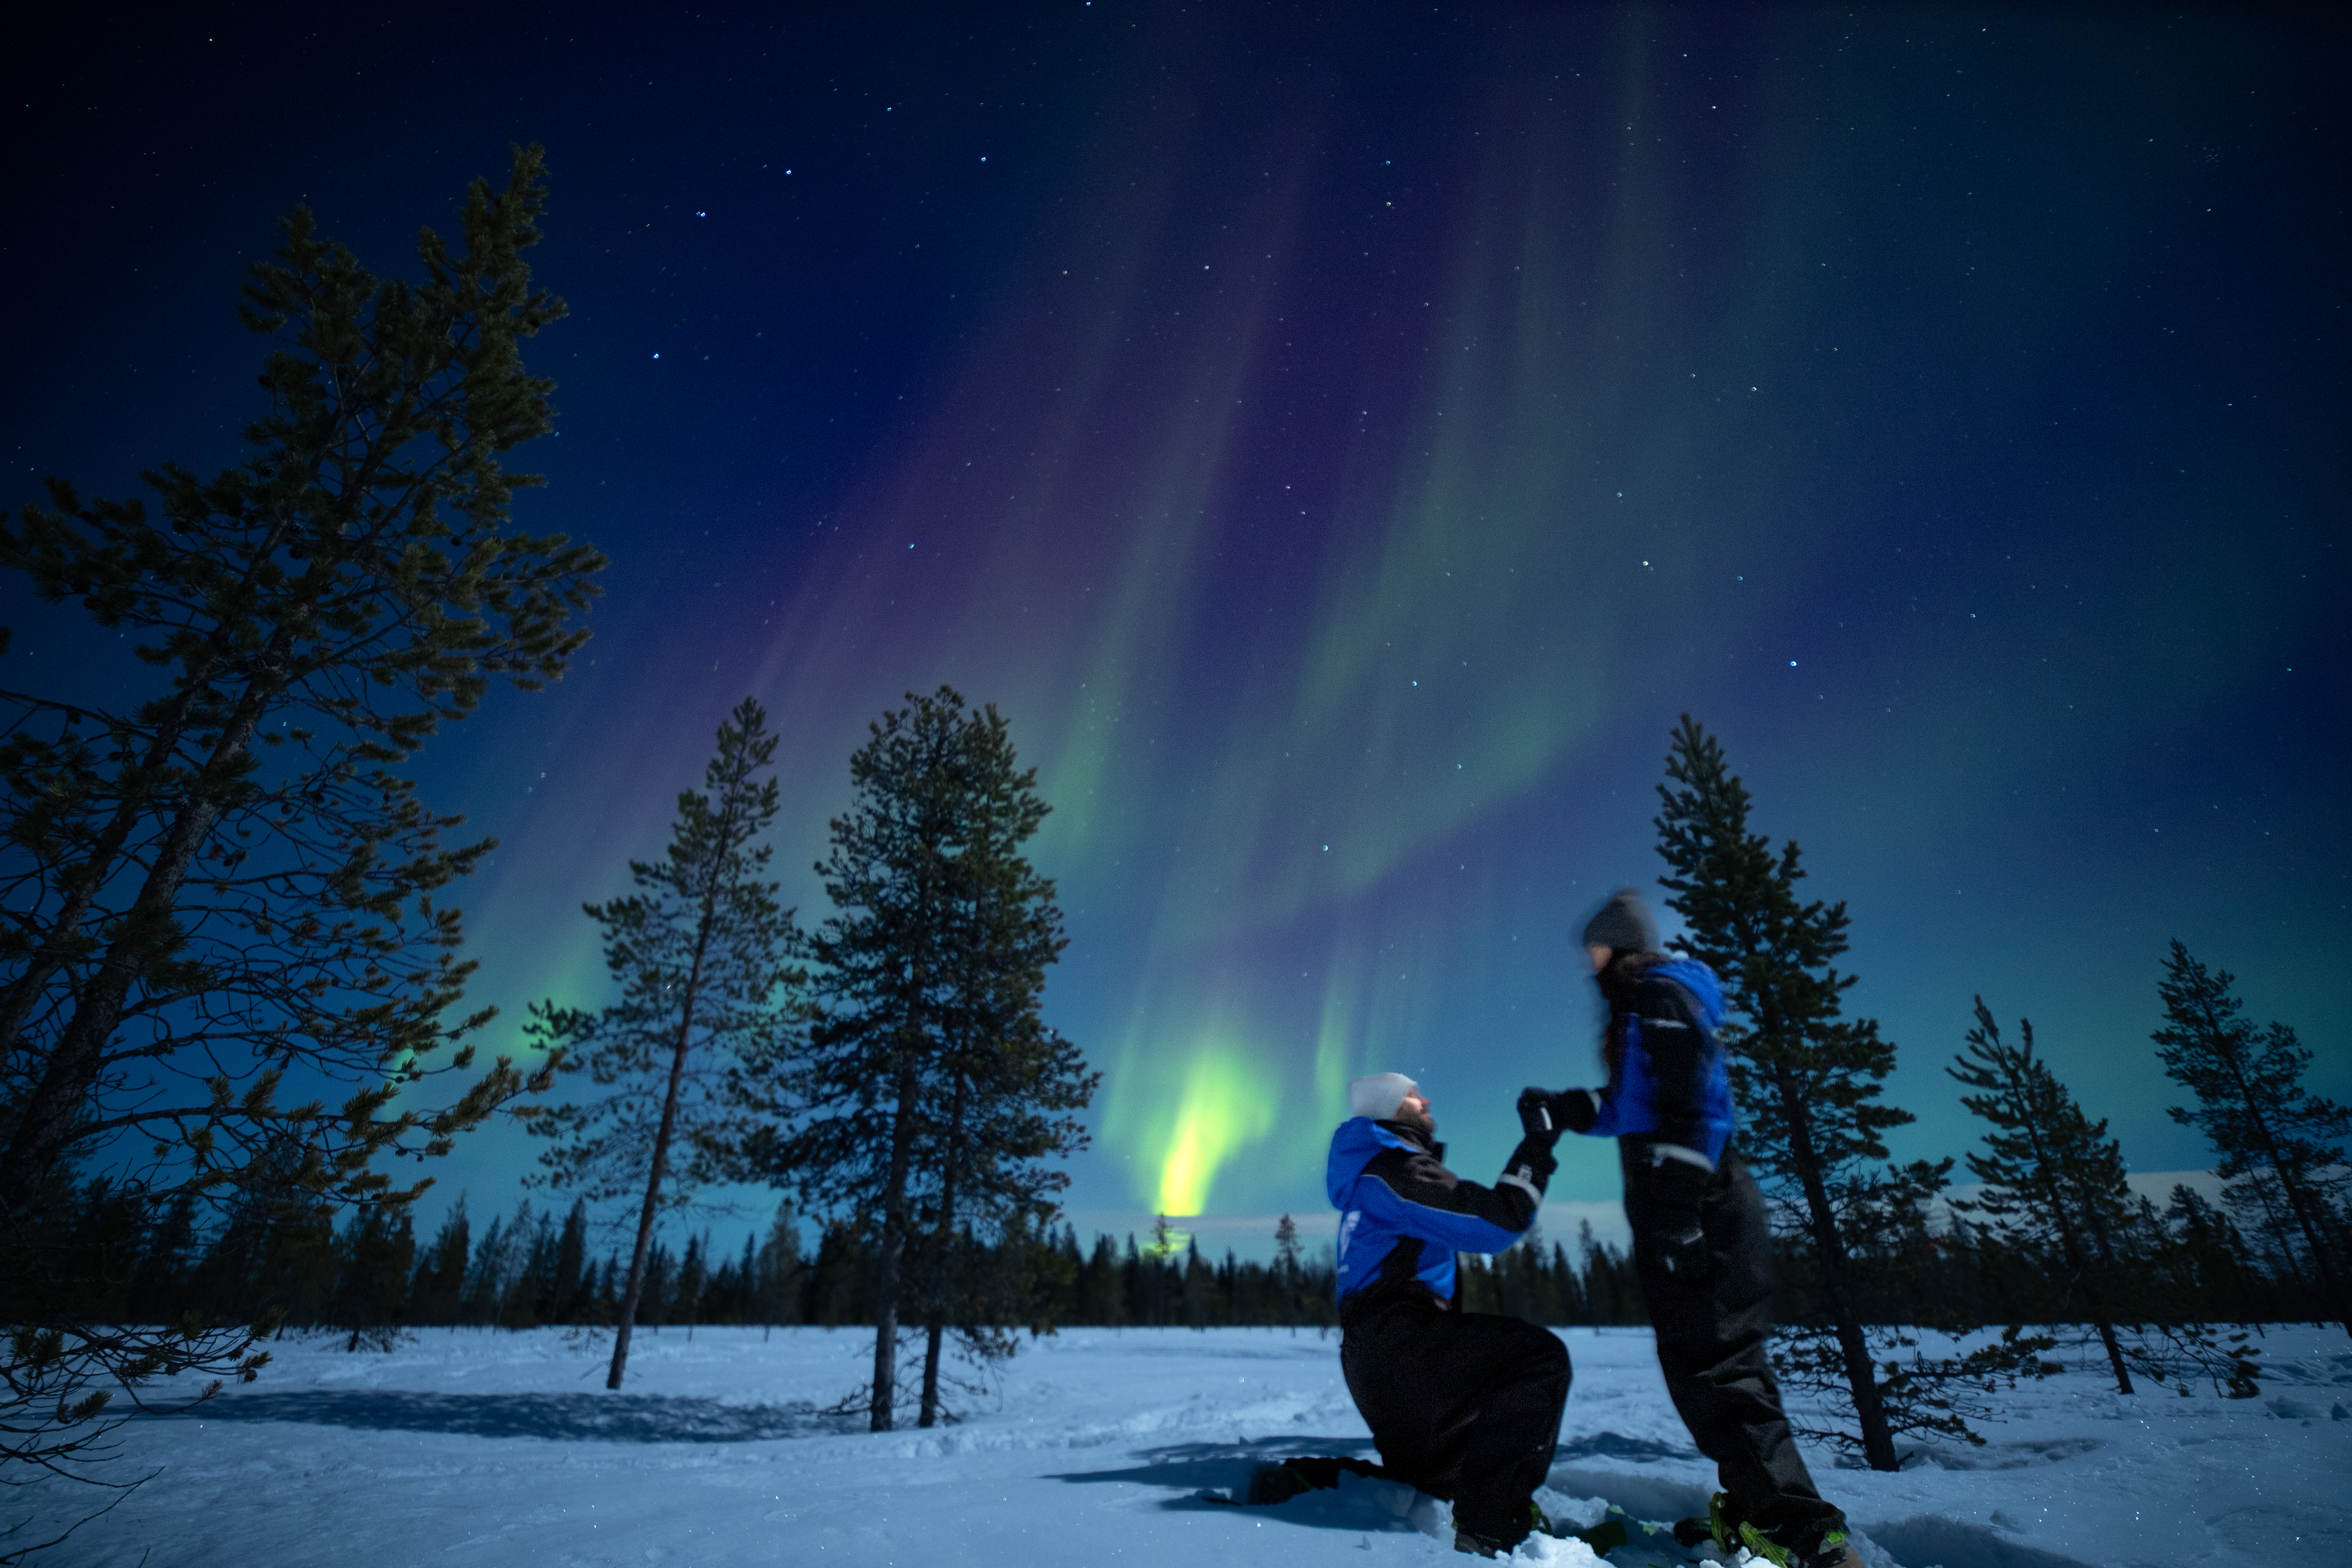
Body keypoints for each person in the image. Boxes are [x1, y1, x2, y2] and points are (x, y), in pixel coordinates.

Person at [1521, 889, 1860, 1568]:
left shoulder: (1658, 998)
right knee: (1703, 1365)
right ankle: (1757, 1509)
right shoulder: (1650, 1005)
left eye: (1596, 951)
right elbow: (1634, 1106)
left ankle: (1802, 1535)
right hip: (1690, 1200)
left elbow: (1696, 1106)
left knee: (1718, 1367)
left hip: (1696, 1204)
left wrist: (1678, 1212)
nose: (1591, 966)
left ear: (1619, 948)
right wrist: (1567, 1108)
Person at [1326, 1070, 1572, 1557]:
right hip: (1400, 1343)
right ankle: (1491, 1530)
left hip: (1379, 1356)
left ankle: (1312, 1485)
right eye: (1414, 1097)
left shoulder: (1370, 1174)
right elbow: (1498, 1222)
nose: (1427, 1101)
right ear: (1390, 1109)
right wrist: (1538, 1144)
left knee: (1434, 1475)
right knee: (1537, 1359)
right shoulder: (1395, 1171)